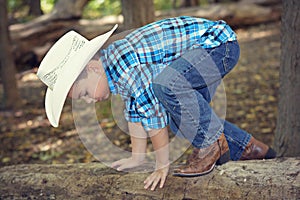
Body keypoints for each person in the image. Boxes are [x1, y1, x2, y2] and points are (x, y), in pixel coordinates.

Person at [37, 16, 276, 191]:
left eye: (85, 92)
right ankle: (250, 148)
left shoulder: (124, 63)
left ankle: (212, 144)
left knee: (167, 85)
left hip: (217, 46)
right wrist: (137, 157)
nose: (89, 100)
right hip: (204, 54)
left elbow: (151, 114)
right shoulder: (115, 74)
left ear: (92, 67)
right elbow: (135, 113)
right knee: (182, 118)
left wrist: (163, 165)